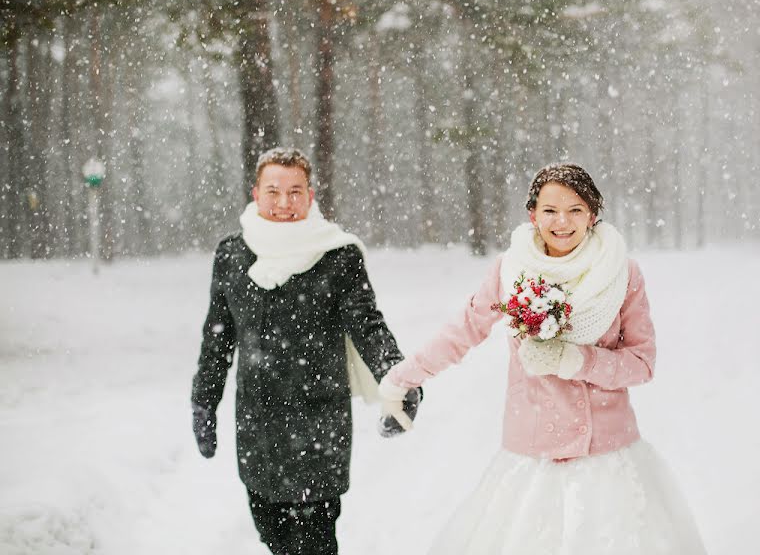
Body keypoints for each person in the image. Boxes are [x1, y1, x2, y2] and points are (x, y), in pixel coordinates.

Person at [379, 163, 707, 554]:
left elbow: (642, 363)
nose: (562, 222)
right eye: (550, 210)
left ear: (593, 215)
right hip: (533, 458)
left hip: (608, 459)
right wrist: (404, 377)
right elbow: (464, 330)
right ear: (532, 214)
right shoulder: (511, 269)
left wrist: (578, 361)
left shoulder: (622, 273)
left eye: (575, 209)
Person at [191, 147, 418, 555]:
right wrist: (203, 403)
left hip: (318, 424)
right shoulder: (232, 254)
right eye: (273, 191)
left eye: (295, 192)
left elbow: (367, 325)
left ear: (310, 196)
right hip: (258, 424)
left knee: (315, 541)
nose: (284, 203)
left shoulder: (337, 255)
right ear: (255, 193)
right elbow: (218, 337)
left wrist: (398, 378)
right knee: (273, 536)